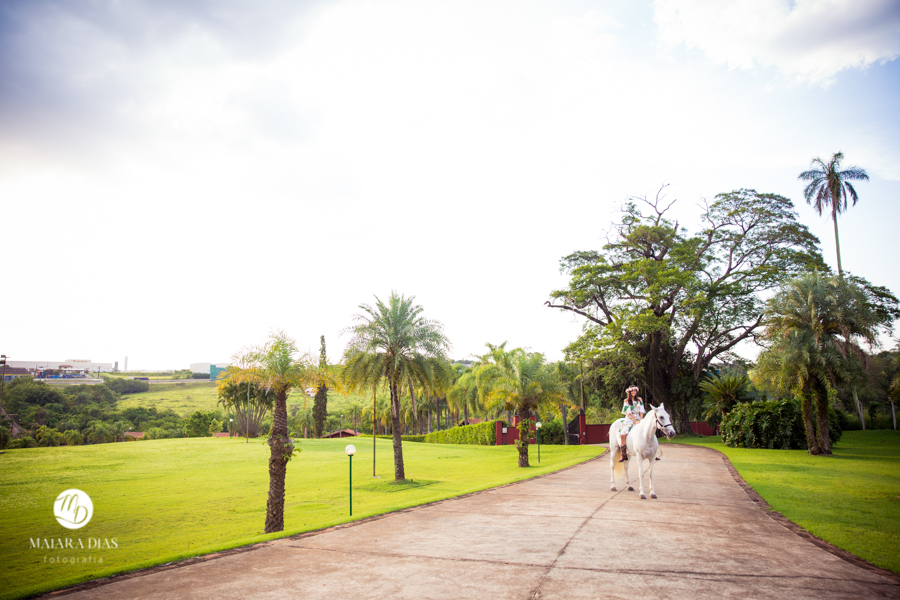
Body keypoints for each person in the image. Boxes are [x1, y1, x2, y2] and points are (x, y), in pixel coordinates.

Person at [618, 385, 645, 462]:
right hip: (629, 419)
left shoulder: (639, 400)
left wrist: (641, 420)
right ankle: (623, 454)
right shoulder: (626, 401)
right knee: (623, 435)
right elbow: (629, 412)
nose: (634, 392)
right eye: (632, 391)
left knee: (649, 429)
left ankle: (653, 452)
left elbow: (641, 410)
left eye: (635, 391)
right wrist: (635, 421)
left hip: (639, 419)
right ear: (629, 392)